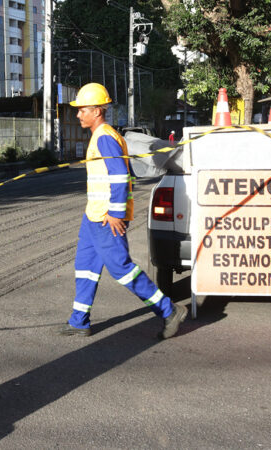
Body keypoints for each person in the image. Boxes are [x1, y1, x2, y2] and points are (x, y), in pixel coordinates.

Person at [58, 83, 187, 339]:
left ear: (96, 111)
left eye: (82, 109)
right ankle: (79, 321)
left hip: (107, 218)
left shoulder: (105, 137)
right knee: (85, 266)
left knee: (121, 268)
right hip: (94, 216)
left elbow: (118, 176)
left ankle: (169, 311)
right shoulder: (100, 136)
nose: (78, 114)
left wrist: (116, 213)